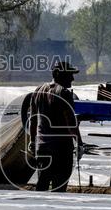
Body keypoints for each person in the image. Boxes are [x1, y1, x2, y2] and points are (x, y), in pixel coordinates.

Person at [26, 62, 83, 192]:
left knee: (42, 185)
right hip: (61, 150)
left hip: (42, 148)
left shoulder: (38, 91)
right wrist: (79, 143)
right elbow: (71, 122)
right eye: (69, 75)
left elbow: (33, 120)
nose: (72, 79)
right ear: (58, 74)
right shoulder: (64, 93)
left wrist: (32, 140)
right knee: (59, 188)